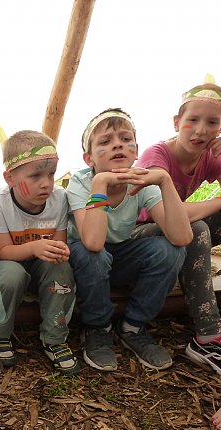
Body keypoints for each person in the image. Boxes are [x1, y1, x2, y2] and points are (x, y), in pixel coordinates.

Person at [133, 82, 221, 383]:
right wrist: (219, 201)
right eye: (192, 120)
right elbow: (169, 215)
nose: (200, 130)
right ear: (176, 122)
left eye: (211, 122)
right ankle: (208, 336)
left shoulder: (212, 156)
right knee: (195, 228)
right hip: (139, 236)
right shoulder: (156, 155)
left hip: (174, 230)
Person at [67, 108, 192, 372]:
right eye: (105, 141)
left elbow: (181, 237)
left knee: (171, 250)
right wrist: (100, 184)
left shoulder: (141, 181)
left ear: (136, 151)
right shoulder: (81, 183)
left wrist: (164, 181)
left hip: (119, 257)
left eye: (126, 139)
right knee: (92, 254)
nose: (118, 145)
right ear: (89, 158)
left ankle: (133, 326)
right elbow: (93, 242)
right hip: (83, 265)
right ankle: (97, 327)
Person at [0, 130, 80, 374]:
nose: (46, 183)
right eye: (35, 176)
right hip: (2, 260)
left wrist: (58, 253)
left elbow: (58, 245)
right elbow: (3, 251)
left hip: (39, 261)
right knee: (12, 276)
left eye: (51, 174)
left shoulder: (59, 198)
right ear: (9, 178)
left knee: (61, 269)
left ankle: (55, 337)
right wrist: (35, 247)